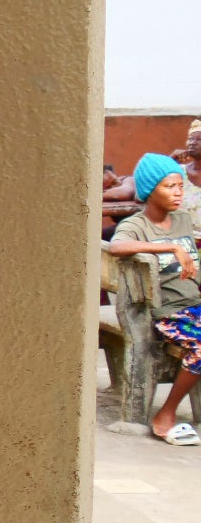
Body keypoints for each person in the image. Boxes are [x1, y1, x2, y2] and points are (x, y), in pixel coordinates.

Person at [110, 152, 201, 445]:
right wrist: (170, 249)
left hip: (195, 307)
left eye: (180, 186)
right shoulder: (137, 225)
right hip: (167, 315)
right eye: (169, 186)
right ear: (150, 190)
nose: (177, 193)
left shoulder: (183, 220)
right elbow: (117, 247)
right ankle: (167, 413)